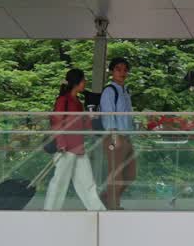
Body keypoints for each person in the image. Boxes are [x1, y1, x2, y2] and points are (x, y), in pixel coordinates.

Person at [44, 69, 106, 211]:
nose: (85, 83)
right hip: (65, 149)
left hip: (78, 148)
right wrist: (61, 143)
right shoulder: (63, 100)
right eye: (84, 80)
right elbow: (56, 122)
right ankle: (49, 213)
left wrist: (94, 120)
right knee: (59, 183)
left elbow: (83, 124)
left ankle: (98, 213)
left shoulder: (78, 102)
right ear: (76, 83)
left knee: (88, 183)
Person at [100, 57, 136, 209]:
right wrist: (115, 137)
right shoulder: (110, 90)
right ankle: (113, 207)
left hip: (126, 137)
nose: (122, 72)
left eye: (125, 69)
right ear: (112, 71)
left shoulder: (126, 91)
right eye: (118, 69)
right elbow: (108, 115)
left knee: (130, 175)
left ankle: (105, 198)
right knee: (116, 174)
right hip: (114, 137)